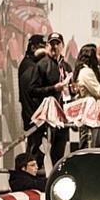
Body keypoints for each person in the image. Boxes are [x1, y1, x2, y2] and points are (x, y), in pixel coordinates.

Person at [29, 32, 73, 165]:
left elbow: (70, 91)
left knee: (58, 157)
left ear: (62, 46)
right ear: (47, 46)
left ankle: (55, 182)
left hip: (62, 119)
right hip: (46, 120)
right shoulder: (42, 65)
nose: (54, 47)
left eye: (57, 43)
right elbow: (32, 91)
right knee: (40, 156)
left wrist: (73, 90)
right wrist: (54, 88)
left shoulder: (66, 66)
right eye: (52, 43)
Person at [18, 34, 47, 163]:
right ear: (33, 47)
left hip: (35, 116)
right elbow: (31, 94)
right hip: (34, 117)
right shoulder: (29, 66)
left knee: (37, 151)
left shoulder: (31, 65)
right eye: (41, 47)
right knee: (34, 154)